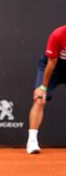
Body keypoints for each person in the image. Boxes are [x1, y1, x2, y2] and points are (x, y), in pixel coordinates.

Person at [26, 25, 66, 154]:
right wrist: (43, 88)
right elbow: (51, 63)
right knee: (39, 99)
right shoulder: (58, 34)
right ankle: (32, 141)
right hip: (51, 68)